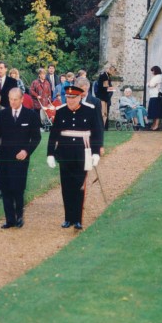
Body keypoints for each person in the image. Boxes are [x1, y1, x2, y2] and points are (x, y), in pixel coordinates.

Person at [47, 85, 102, 229]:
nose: (70, 101)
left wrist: (96, 152)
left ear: (80, 98)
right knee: (66, 186)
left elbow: (96, 132)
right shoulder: (61, 111)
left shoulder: (89, 110)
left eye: (73, 98)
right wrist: (50, 154)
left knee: (79, 186)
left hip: (82, 153)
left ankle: (77, 219)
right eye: (68, 98)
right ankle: (68, 218)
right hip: (64, 154)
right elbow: (54, 134)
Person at [0, 88, 41, 229]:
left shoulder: (31, 115)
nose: (12, 102)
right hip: (4, 157)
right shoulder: (2, 114)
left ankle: (19, 216)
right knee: (5, 189)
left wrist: (26, 151)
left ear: (22, 99)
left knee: (18, 188)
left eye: (15, 99)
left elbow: (36, 138)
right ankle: (9, 219)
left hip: (21, 158)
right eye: (10, 99)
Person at [96, 64, 117, 130]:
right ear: (110, 70)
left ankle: (103, 127)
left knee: (105, 113)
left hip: (105, 97)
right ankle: (100, 127)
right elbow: (105, 87)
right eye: (113, 71)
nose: (114, 73)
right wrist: (113, 88)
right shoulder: (104, 76)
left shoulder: (107, 76)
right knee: (103, 113)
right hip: (102, 96)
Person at [147, 66, 162, 131]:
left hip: (156, 95)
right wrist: (149, 84)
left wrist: (149, 84)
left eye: (153, 71)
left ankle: (156, 125)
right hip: (152, 95)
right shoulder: (154, 77)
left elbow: (151, 85)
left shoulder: (159, 77)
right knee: (153, 112)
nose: (152, 72)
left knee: (156, 112)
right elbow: (149, 84)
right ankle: (154, 124)